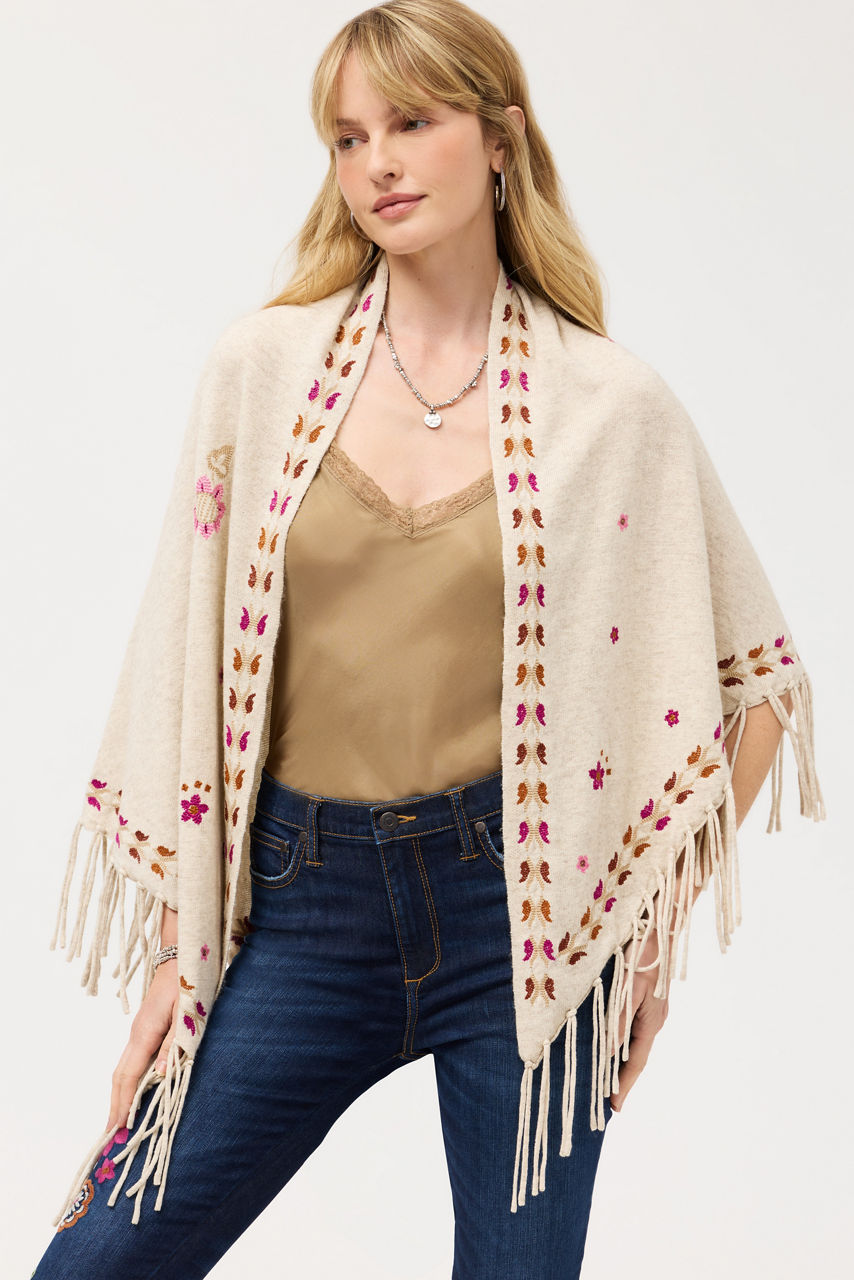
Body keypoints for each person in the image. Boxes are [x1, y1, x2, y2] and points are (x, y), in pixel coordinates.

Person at [31, 2, 825, 1277]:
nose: (377, 164)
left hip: (519, 921)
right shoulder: (262, 371)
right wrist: (178, 949)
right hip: (296, 907)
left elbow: (757, 685)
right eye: (348, 139)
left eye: (410, 122)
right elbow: (182, 661)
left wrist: (635, 932)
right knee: (96, 1260)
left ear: (499, 138)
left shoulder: (606, 405)